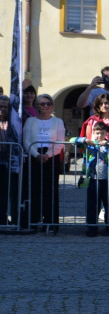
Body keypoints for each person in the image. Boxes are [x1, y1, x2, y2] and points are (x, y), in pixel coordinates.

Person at [22, 94, 66, 233]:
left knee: (50, 191)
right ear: (37, 106)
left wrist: (48, 155)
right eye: (42, 104)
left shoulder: (58, 121)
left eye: (48, 103)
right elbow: (26, 140)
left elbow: (60, 141)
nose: (45, 106)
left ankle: (51, 223)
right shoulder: (30, 121)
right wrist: (36, 154)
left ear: (52, 106)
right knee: (33, 190)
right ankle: (32, 221)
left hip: (51, 156)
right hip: (34, 155)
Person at [0, 95, 22, 226]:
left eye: (5, 107)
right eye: (0, 107)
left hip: (7, 162)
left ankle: (3, 219)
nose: (2, 109)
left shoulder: (12, 122)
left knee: (4, 193)